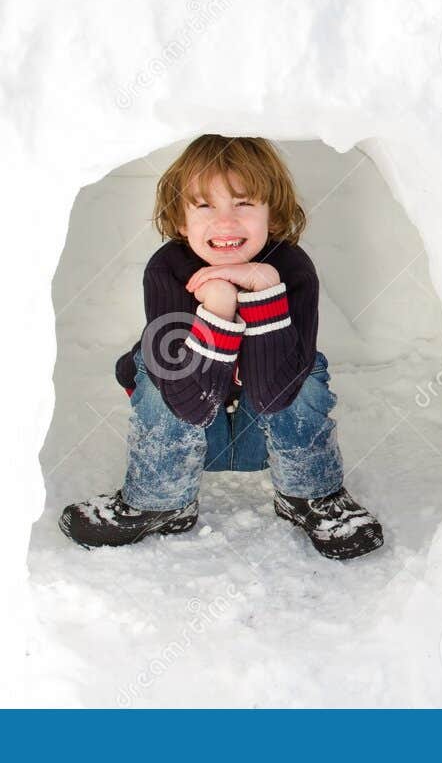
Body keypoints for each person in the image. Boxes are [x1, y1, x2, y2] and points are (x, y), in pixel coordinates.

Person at [59, 135, 384, 560]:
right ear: (180, 221)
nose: (226, 222)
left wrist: (265, 292)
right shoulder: (167, 270)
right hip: (193, 429)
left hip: (262, 434)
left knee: (305, 368)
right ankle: (160, 500)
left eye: (244, 203)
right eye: (205, 205)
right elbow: (190, 405)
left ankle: (310, 495)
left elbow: (275, 393)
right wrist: (218, 309)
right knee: (156, 362)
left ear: (273, 213)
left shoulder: (292, 268)